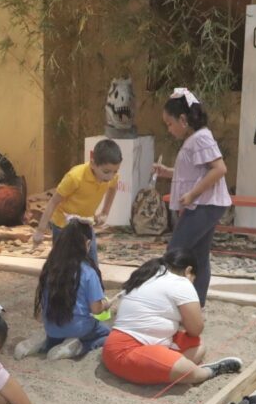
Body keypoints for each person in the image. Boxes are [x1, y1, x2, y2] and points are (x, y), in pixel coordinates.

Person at [102, 250, 242, 385]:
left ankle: (165, 368)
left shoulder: (149, 274)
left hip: (126, 345)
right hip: (126, 350)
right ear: (188, 271)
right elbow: (195, 328)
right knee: (187, 370)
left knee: (197, 345)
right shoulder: (181, 282)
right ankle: (208, 372)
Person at [152, 88, 232, 305]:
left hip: (204, 205)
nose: (169, 129)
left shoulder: (200, 138)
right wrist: (167, 171)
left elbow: (219, 169)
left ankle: (165, 301)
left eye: (169, 124)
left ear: (183, 119)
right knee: (199, 256)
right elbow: (197, 172)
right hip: (206, 205)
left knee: (174, 252)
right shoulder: (196, 139)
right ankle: (197, 303)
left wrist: (192, 194)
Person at [16, 220, 113, 361]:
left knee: (60, 330)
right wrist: (105, 304)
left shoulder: (50, 268)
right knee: (109, 335)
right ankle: (79, 346)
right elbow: (96, 310)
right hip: (80, 329)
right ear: (86, 244)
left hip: (52, 328)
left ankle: (46, 343)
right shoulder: (88, 272)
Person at [32, 139, 121, 265]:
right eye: (106, 172)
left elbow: (113, 188)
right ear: (93, 164)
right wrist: (40, 231)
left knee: (92, 265)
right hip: (63, 226)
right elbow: (53, 202)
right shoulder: (75, 177)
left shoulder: (111, 177)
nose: (110, 176)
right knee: (62, 266)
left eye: (115, 171)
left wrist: (105, 212)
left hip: (86, 224)